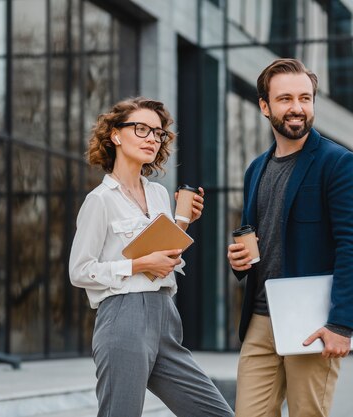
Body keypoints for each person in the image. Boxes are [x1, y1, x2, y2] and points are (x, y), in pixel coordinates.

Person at [69, 97, 234, 417]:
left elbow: (167, 256)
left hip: (166, 317)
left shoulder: (158, 194)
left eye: (158, 134)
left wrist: (184, 222)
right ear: (116, 135)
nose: (152, 139)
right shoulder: (100, 200)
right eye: (141, 129)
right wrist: (138, 264)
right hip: (123, 317)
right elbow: (79, 270)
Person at [226, 58, 353, 417]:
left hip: (313, 320)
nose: (297, 108)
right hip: (260, 318)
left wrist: (341, 324)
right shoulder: (255, 169)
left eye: (305, 99)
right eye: (286, 99)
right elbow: (258, 237)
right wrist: (239, 261)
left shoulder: (338, 163)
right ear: (264, 106)